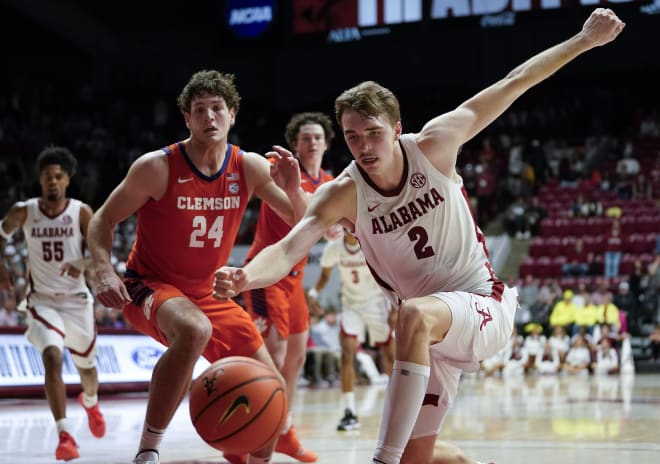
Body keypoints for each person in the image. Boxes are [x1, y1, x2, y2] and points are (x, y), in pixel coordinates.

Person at [212, 9, 624, 464]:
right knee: (420, 457)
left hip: (482, 303)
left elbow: (515, 81)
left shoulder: (435, 144)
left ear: (396, 129)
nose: (365, 147)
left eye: (374, 134)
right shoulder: (344, 193)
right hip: (429, 339)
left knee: (411, 315)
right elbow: (291, 246)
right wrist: (244, 277)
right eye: (353, 138)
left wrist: (584, 40)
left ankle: (380, 461)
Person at [86, 70, 309, 464]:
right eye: (199, 110)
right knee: (193, 328)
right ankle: (148, 450)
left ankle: (253, 457)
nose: (209, 117)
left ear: (233, 115)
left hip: (207, 292)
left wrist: (293, 188)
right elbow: (102, 220)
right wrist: (103, 270)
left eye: (217, 109)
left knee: (271, 389)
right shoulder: (157, 167)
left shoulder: (249, 167)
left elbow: (303, 223)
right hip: (148, 285)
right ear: (186, 119)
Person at [0, 146, 106, 461]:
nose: (52, 182)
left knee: (87, 371)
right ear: (40, 180)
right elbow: (1, 235)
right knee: (52, 359)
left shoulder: (81, 212)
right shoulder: (24, 210)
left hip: (77, 302)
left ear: (67, 181)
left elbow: (101, 252)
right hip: (42, 303)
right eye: (47, 177)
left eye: (58, 177)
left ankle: (90, 401)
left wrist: (83, 263)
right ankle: (65, 435)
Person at [242, 112, 337, 463]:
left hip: (296, 282)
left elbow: (334, 228)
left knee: (295, 361)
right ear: (294, 143)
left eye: (317, 137)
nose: (312, 142)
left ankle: (283, 430)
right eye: (305, 137)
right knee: (273, 360)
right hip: (267, 276)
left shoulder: (329, 182)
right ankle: (252, 436)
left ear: (326, 143)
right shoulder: (278, 168)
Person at [308, 229, 395, 431]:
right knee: (347, 355)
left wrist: (395, 306)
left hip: (377, 303)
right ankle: (350, 412)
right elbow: (324, 276)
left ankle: (397, 409)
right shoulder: (334, 248)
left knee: (390, 356)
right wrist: (312, 293)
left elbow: (391, 274)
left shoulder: (373, 243)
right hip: (351, 305)